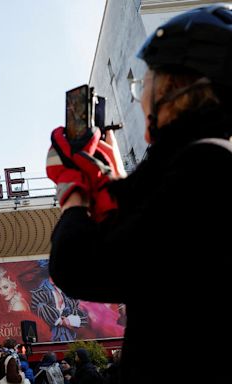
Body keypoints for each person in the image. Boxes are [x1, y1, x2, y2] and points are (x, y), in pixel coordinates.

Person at [46, 5, 232, 384]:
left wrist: (72, 194)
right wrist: (110, 177)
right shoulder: (201, 160)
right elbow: (147, 229)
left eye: (142, 85)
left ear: (173, 89)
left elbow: (82, 266)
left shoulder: (205, 171)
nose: (139, 98)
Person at [30, 277, 87, 342]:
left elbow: (81, 316)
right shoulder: (40, 292)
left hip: (68, 337)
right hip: (50, 338)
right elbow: (39, 307)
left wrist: (70, 321)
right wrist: (61, 322)